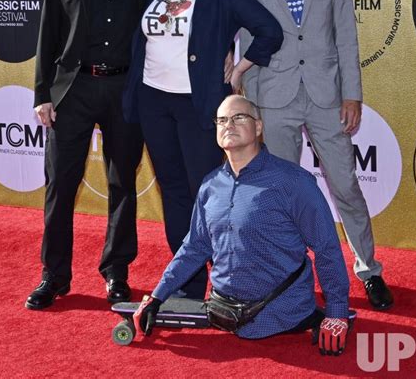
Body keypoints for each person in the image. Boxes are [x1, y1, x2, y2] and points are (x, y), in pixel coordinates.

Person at [239, 0, 393, 310]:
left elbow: (346, 35)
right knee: (283, 192)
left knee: (346, 186)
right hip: (274, 97)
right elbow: (248, 41)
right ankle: (291, 275)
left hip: (327, 97)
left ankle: (368, 270)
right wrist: (249, 104)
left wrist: (352, 94)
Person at [123, 0, 283, 300]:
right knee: (175, 191)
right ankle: (190, 284)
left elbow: (269, 30)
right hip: (153, 102)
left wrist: (240, 65)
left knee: (207, 192)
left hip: (198, 106)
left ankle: (232, 280)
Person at [134, 95, 352, 356]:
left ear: (258, 127)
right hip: (222, 313)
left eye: (239, 117)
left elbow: (326, 247)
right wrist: (157, 296)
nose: (229, 124)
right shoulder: (210, 185)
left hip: (283, 316)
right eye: (222, 120)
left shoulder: (294, 182)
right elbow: (194, 247)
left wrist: (337, 312)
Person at [25, 0, 153, 310]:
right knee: (60, 186)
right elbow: (47, 36)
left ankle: (117, 272)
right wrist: (43, 94)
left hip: (128, 91)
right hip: (73, 91)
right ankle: (54, 276)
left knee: (122, 185)